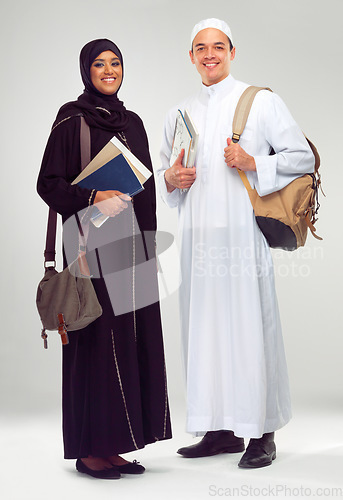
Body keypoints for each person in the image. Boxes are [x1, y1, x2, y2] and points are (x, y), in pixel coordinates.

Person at [158, 18, 314, 469]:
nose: (210, 54)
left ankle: (262, 431)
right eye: (201, 48)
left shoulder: (260, 101)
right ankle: (219, 428)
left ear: (231, 52)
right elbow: (168, 181)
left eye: (218, 46)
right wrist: (173, 178)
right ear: (191, 57)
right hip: (197, 240)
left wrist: (252, 161)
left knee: (249, 329)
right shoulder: (178, 113)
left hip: (243, 239)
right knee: (204, 330)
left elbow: (301, 156)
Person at [37, 38, 172, 479]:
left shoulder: (132, 122)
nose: (109, 70)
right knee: (95, 343)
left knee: (129, 343)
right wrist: (94, 196)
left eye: (116, 63)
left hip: (131, 245)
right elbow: (48, 184)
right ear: (86, 70)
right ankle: (89, 449)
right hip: (88, 247)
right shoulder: (70, 120)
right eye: (100, 63)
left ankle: (116, 444)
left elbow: (146, 187)